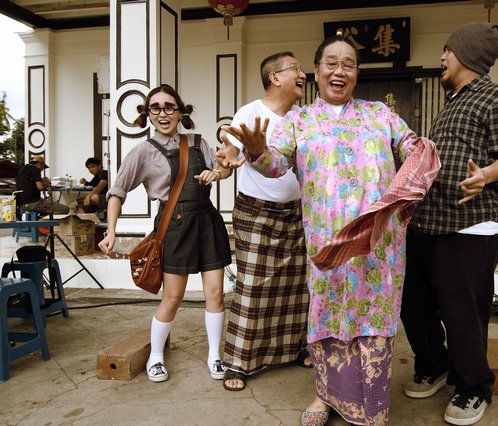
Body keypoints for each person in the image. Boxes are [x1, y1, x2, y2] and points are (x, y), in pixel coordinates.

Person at [221, 35, 418, 426]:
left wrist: (422, 162)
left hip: (378, 245)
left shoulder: (380, 114)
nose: (339, 70)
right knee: (329, 316)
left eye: (348, 64)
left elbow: (412, 149)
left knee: (373, 319)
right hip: (327, 246)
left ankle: (372, 404)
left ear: (356, 74)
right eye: (331, 63)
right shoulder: (299, 120)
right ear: (316, 71)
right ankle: (326, 396)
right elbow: (275, 165)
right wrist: (257, 150)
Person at [400, 22, 498, 426]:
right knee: (414, 306)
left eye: (448, 50)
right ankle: (434, 365)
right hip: (427, 224)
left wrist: (486, 174)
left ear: (468, 56)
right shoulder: (452, 103)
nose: (442, 57)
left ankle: (474, 387)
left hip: (470, 226)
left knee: (462, 315)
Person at [98, 84, 232, 383]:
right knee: (172, 297)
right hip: (174, 225)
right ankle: (155, 357)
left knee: (215, 294)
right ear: (148, 114)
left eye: (169, 107)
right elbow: (117, 192)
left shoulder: (197, 142)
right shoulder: (143, 151)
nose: (163, 113)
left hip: (207, 222)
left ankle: (214, 356)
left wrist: (217, 172)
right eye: (155, 108)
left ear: (180, 112)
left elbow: (224, 169)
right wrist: (111, 231)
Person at [216, 52, 310, 392]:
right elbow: (231, 152)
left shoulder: (303, 118)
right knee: (253, 287)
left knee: (297, 287)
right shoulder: (250, 113)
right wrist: (226, 161)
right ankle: (238, 362)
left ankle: (296, 348)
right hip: (256, 212)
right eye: (295, 68)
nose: (303, 74)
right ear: (275, 77)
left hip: (297, 213)